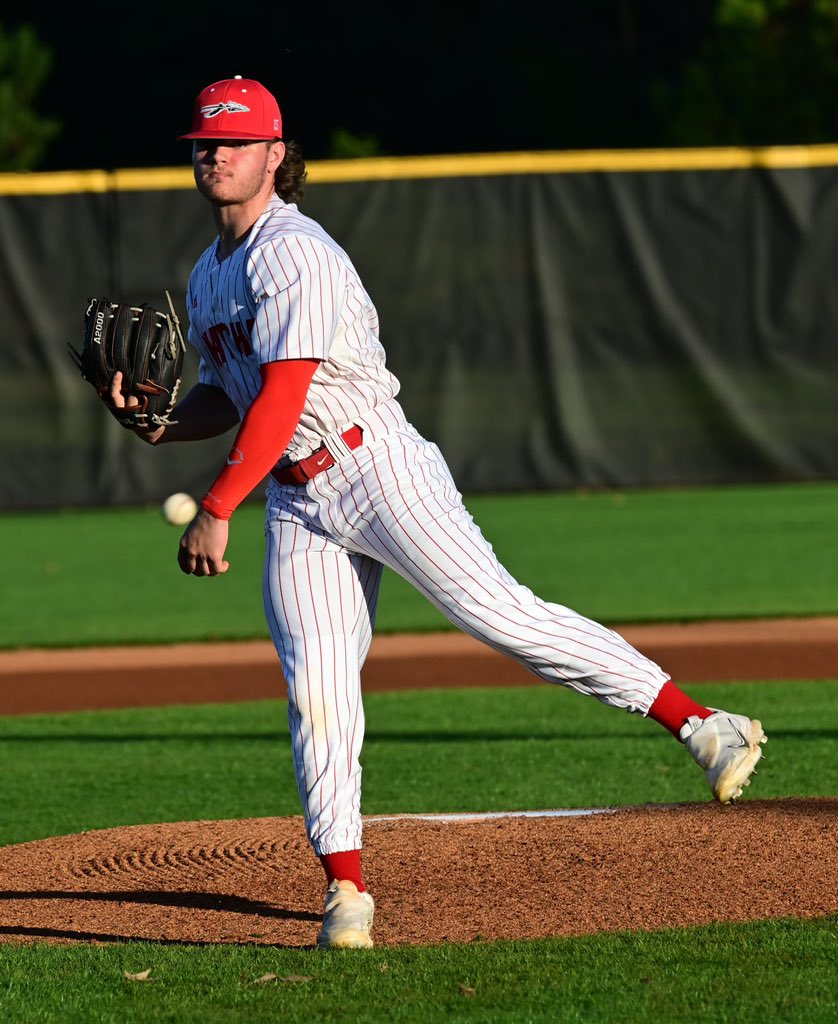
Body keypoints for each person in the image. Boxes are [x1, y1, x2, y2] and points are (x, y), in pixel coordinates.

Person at [111, 76, 767, 949]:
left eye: (234, 142)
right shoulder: (207, 275)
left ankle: (702, 724)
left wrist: (219, 503)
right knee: (318, 690)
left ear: (276, 153)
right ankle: (346, 892)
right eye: (205, 143)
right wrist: (157, 422)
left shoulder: (293, 251)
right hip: (299, 501)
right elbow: (231, 399)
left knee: (500, 615)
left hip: (374, 463)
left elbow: (287, 392)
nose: (216, 155)